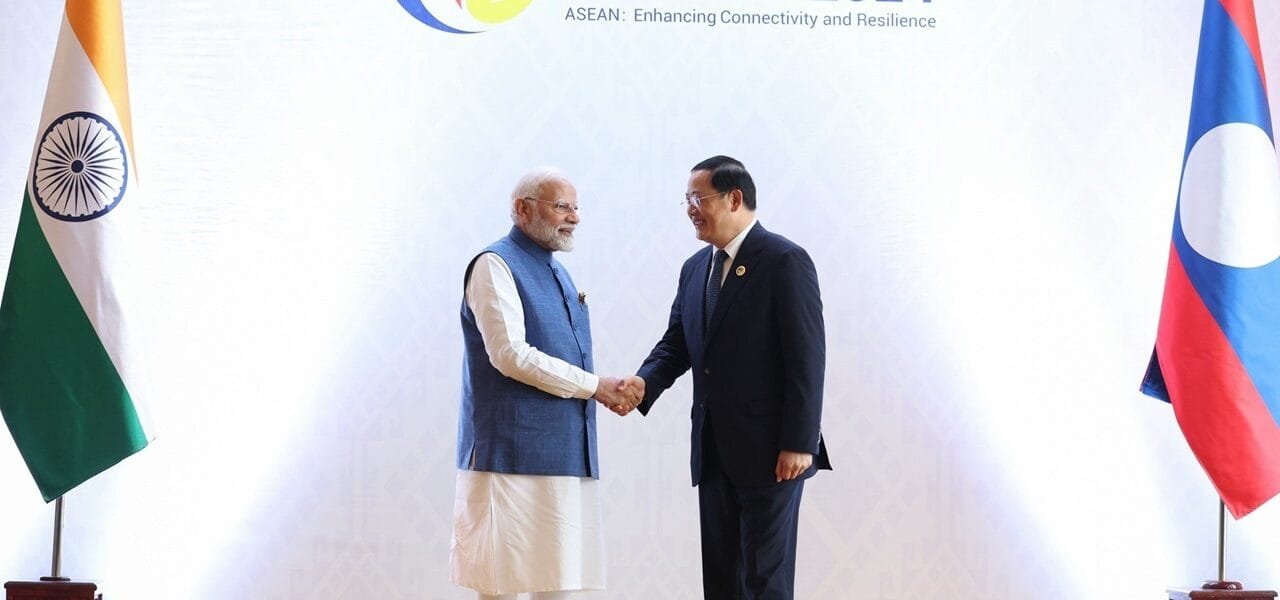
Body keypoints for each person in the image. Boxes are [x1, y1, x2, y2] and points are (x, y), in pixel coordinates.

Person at [626, 155, 831, 599]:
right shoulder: (695, 268)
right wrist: (645, 383)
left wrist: (799, 441)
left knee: (763, 580)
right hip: (714, 451)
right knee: (721, 578)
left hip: (773, 455)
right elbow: (677, 342)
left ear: (734, 198)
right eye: (687, 200)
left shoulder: (784, 261)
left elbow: (807, 358)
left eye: (698, 198)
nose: (690, 209)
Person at [451, 167, 640, 600]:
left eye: (576, 207)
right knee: (500, 584)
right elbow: (510, 354)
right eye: (561, 206)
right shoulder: (494, 265)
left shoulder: (557, 270)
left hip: (562, 452)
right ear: (522, 208)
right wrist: (596, 386)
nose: (573, 217)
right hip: (508, 454)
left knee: (556, 584)